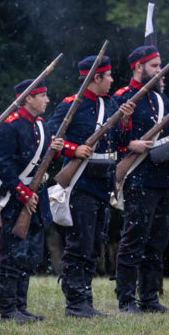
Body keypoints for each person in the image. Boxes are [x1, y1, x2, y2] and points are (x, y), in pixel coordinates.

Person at [114, 45, 169, 313]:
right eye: (154, 66)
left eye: (160, 65)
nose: (159, 70)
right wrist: (130, 142)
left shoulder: (160, 99)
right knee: (134, 240)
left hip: (164, 177)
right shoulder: (123, 97)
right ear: (138, 67)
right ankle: (126, 300)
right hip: (139, 176)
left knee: (157, 242)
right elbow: (113, 137)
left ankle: (149, 299)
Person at [47, 56, 134, 317]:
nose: (112, 80)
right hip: (81, 182)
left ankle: (85, 299)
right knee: (80, 243)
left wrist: (125, 121)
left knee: (95, 244)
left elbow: (121, 143)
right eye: (108, 76)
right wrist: (74, 149)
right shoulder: (71, 105)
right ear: (96, 77)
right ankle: (76, 302)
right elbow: (51, 137)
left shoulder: (111, 105)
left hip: (103, 181)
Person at [0, 79, 64, 323]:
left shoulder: (42, 126)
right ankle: (8, 310)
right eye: (42, 95)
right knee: (11, 255)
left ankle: (20, 307)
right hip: (17, 198)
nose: (47, 100)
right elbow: (3, 165)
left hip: (37, 197)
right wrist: (23, 194)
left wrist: (56, 152)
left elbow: (47, 166)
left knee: (29, 256)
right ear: (28, 98)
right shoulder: (10, 126)